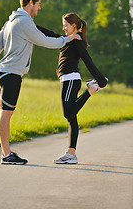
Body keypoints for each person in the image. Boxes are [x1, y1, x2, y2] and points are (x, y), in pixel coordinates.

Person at [0, 0, 81, 165]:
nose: (39, 8)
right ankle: (6, 155)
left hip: (8, 71)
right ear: (31, 2)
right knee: (6, 112)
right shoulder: (24, 22)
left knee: (4, 107)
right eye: (38, 4)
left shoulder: (11, 22)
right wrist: (67, 39)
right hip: (13, 72)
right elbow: (45, 41)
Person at [36, 13, 108, 164]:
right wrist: (29, 25)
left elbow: (88, 61)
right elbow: (51, 34)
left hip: (71, 80)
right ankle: (71, 153)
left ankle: (92, 88)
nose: (63, 28)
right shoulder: (69, 39)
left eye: (65, 25)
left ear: (74, 25)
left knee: (68, 113)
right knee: (71, 118)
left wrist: (100, 80)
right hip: (67, 80)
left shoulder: (77, 41)